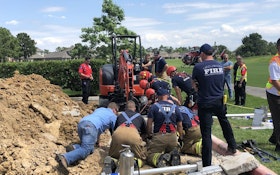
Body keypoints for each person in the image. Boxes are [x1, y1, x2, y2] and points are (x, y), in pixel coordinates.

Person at [192, 43, 237, 167]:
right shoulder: (220, 65)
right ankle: (232, 146)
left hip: (205, 102)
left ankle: (207, 163)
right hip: (219, 100)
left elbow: (194, 85)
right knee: (224, 121)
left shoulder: (198, 67)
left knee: (206, 133)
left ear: (202, 53)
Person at [55, 102, 119, 172]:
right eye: (117, 112)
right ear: (114, 110)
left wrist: (97, 142)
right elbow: (115, 133)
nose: (116, 114)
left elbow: (98, 128)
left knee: (90, 148)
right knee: (86, 149)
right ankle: (65, 158)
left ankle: (74, 147)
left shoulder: (100, 109)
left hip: (82, 123)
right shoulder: (113, 116)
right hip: (90, 127)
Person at [146, 88, 183, 168]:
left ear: (158, 96)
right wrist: (180, 138)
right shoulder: (175, 107)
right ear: (167, 96)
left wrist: (149, 135)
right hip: (173, 138)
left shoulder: (154, 107)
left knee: (149, 155)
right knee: (170, 151)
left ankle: (158, 158)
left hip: (159, 137)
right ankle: (173, 155)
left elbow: (149, 124)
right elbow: (180, 125)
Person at [108, 100, 147, 168]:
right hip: (133, 136)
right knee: (142, 158)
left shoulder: (120, 115)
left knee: (113, 155)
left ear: (125, 109)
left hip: (118, 135)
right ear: (134, 109)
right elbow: (144, 134)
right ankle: (135, 163)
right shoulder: (140, 117)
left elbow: (114, 130)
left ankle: (113, 161)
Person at [265, 38, 280, 152]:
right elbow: (275, 81)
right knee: (278, 119)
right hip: (275, 94)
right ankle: (279, 145)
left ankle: (274, 138)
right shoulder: (274, 62)